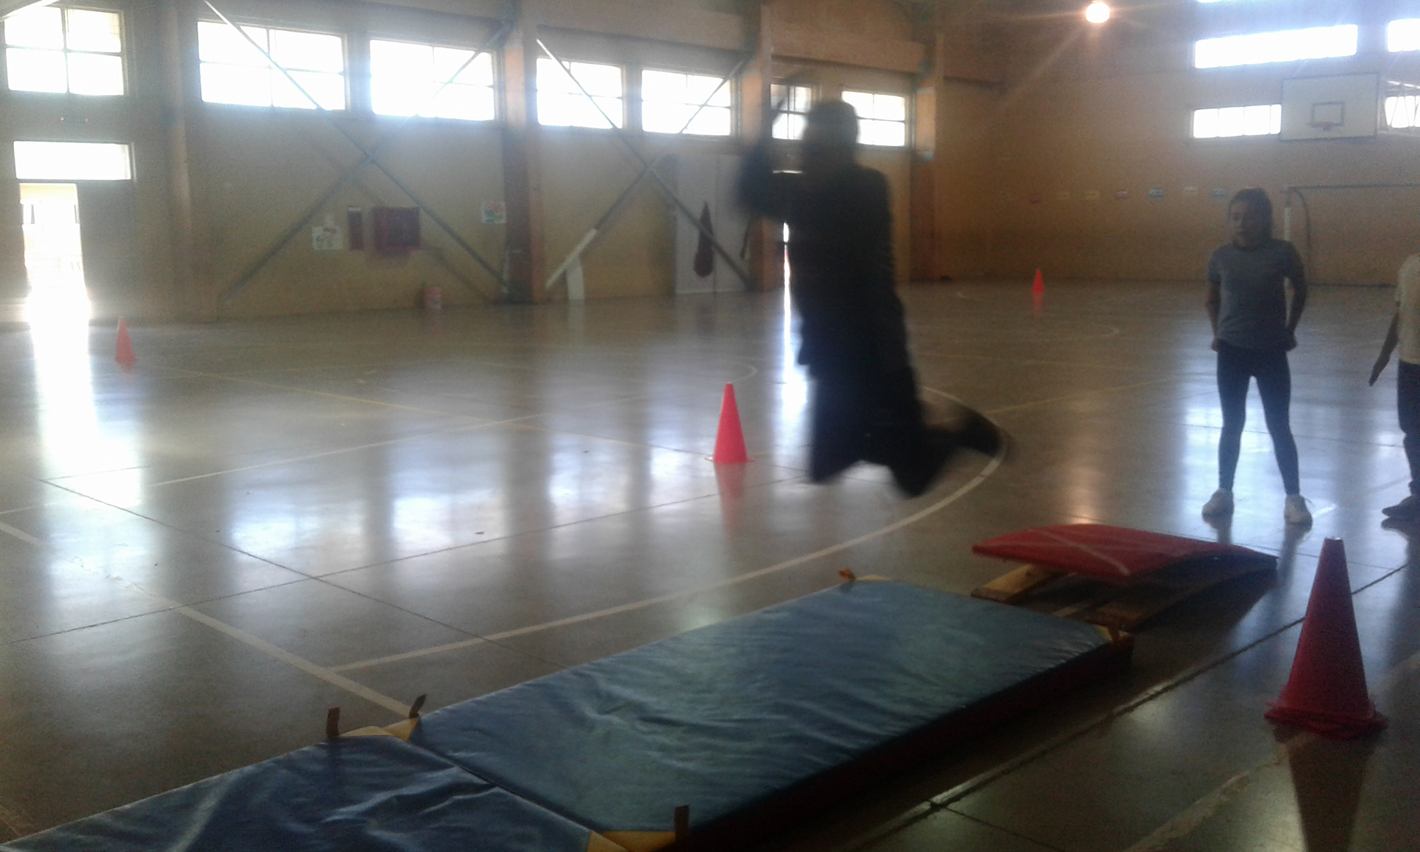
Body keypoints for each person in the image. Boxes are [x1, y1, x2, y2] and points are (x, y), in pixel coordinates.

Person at [738, 99, 999, 496]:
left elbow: (787, 201)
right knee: (830, 462)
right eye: (805, 144)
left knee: (910, 478)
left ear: (842, 149)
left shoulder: (864, 189)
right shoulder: (803, 193)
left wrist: (890, 364)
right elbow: (748, 193)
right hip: (831, 357)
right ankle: (909, 433)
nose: (805, 154)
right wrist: (762, 138)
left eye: (815, 146)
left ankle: (961, 433)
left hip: (873, 355)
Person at [1202, 187, 1311, 525]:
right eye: (1235, 217)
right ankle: (1224, 491)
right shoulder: (1220, 257)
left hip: (1270, 352)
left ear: (1265, 219)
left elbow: (1301, 289)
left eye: (1249, 217)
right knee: (1231, 423)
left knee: (1279, 424)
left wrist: (1290, 329)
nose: (1241, 223)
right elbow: (1211, 299)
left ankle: (1293, 497)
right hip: (1232, 353)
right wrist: (1218, 333)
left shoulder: (1282, 252)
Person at [1369, 249, 1420, 520]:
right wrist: (1385, 354)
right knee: (1412, 430)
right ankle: (1418, 496)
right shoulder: (1409, 265)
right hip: (1409, 363)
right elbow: (1400, 314)